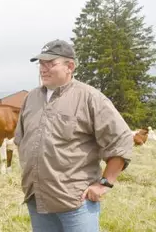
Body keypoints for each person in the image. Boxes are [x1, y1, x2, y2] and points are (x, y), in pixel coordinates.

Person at [14, 39, 133, 232]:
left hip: (76, 202)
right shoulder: (31, 98)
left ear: (70, 66)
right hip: (37, 199)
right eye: (41, 64)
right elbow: (21, 139)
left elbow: (121, 139)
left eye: (50, 64)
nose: (43, 69)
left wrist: (104, 184)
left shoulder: (90, 97)